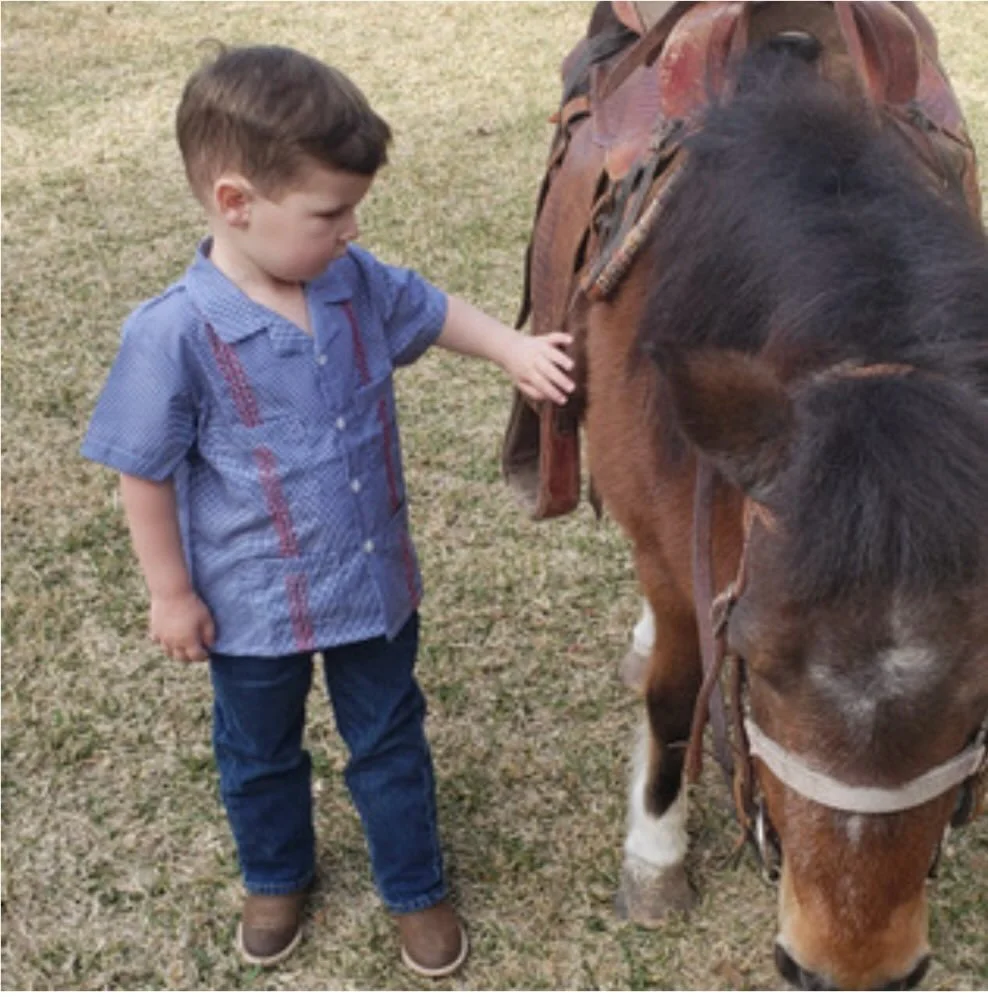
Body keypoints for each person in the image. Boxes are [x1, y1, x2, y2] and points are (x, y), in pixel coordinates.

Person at [80, 44, 574, 978]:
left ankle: (415, 887)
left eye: (353, 209)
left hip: (372, 585)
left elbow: (429, 308)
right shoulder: (173, 333)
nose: (351, 229)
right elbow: (143, 472)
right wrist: (170, 592)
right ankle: (275, 874)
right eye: (329, 212)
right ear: (236, 203)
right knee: (258, 749)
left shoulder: (352, 283)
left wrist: (511, 349)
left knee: (389, 740)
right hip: (250, 606)